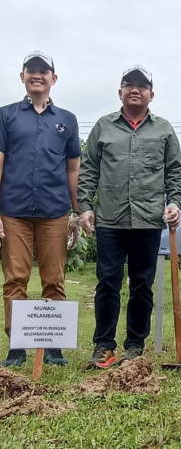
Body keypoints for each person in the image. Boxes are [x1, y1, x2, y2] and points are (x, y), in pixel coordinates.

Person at [78, 65, 181, 369]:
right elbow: (88, 170)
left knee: (141, 285)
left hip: (148, 220)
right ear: (120, 91)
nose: (135, 89)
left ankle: (135, 347)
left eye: (141, 85)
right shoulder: (103, 126)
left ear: (151, 93)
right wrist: (86, 206)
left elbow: (175, 171)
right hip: (110, 220)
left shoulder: (163, 129)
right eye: (129, 84)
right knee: (108, 283)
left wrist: (174, 202)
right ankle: (104, 347)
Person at [0, 51, 81, 367]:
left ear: (53, 78)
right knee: (15, 278)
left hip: (55, 212)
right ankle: (17, 348)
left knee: (54, 279)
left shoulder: (67, 120)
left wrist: (76, 211)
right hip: (14, 211)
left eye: (43, 71)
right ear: (22, 77)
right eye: (31, 70)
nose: (37, 75)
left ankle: (53, 348)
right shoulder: (5, 116)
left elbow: (72, 168)